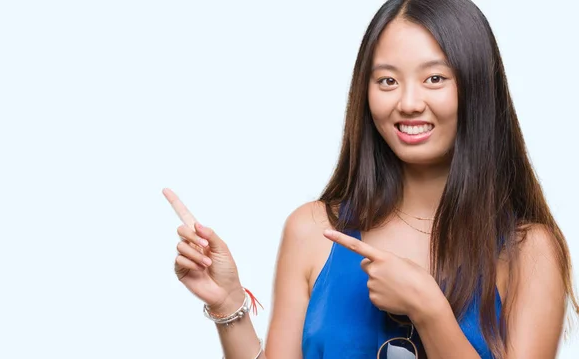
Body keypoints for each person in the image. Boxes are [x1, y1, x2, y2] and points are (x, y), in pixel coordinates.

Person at [164, 0, 578, 358]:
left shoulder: (530, 252)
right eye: (387, 81)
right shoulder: (312, 231)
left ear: (477, 88)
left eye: (435, 78)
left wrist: (429, 311)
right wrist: (228, 304)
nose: (408, 102)